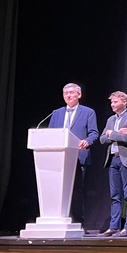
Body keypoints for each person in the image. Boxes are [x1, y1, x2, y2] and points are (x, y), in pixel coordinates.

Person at [48, 83, 99, 226]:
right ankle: (57, 219)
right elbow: (50, 134)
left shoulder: (88, 112)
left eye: (71, 93)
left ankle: (78, 222)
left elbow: (94, 133)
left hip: (78, 156)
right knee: (57, 189)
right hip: (58, 157)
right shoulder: (56, 113)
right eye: (66, 93)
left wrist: (87, 141)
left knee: (76, 191)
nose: (69, 95)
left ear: (79, 95)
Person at [98, 91, 127, 237]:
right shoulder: (111, 120)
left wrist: (112, 133)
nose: (112, 105)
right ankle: (114, 227)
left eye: (115, 102)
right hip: (113, 159)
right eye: (111, 102)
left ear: (124, 102)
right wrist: (116, 133)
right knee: (115, 195)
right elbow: (102, 139)